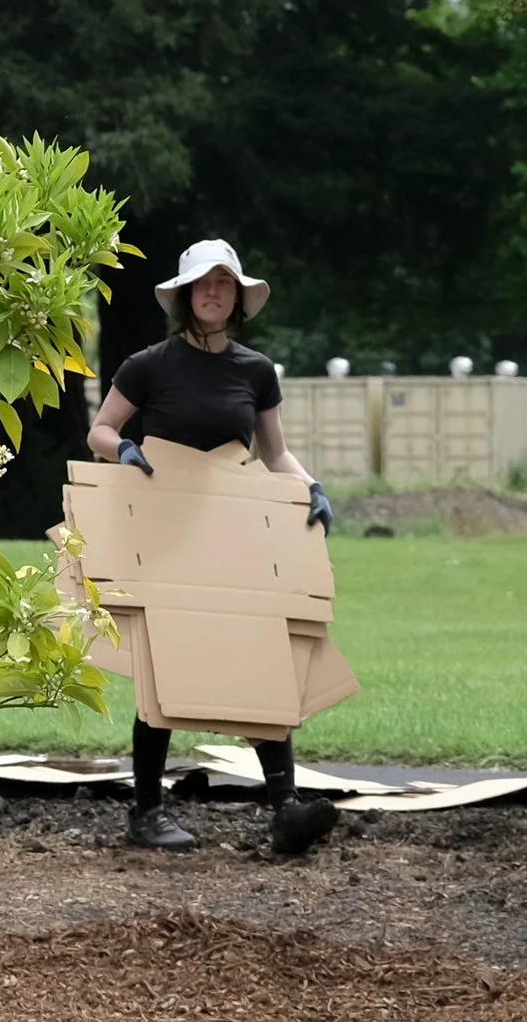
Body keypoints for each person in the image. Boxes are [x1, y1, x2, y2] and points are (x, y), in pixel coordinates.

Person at [88, 239, 339, 858]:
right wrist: (121, 451)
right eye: (204, 283)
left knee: (262, 655)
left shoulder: (256, 371)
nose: (214, 292)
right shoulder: (149, 364)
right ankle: (146, 813)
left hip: (237, 538)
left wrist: (309, 488)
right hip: (163, 536)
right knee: (165, 670)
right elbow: (101, 428)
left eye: (225, 284)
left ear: (237, 299)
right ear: (184, 295)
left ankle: (286, 809)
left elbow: (275, 451)